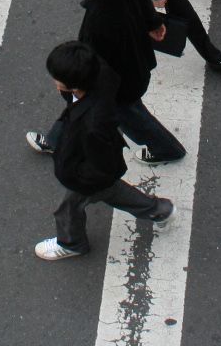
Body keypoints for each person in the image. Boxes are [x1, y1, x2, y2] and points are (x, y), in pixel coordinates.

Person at [26, 0, 185, 165]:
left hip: (119, 85)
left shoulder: (97, 23)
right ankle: (54, 140)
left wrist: (74, 87)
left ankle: (167, 149)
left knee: (131, 118)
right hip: (137, 61)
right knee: (81, 107)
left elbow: (94, 66)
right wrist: (153, 23)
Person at [31, 39, 174, 262]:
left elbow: (101, 163)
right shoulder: (99, 76)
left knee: (71, 207)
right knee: (114, 193)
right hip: (93, 167)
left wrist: (77, 177)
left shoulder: (92, 124)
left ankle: (72, 243)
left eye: (57, 78)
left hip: (89, 176)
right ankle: (158, 210)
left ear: (73, 85)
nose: (54, 81)